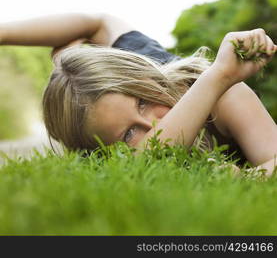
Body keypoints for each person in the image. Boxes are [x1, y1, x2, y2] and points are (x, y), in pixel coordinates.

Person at [0, 13, 277, 175]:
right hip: (139, 75)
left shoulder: (223, 92)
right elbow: (151, 155)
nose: (154, 124)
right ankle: (64, 58)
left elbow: (100, 23)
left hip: (158, 71)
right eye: (128, 134)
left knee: (98, 27)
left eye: (143, 103)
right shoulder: (109, 150)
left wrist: (217, 76)